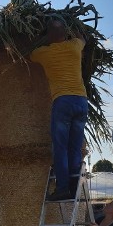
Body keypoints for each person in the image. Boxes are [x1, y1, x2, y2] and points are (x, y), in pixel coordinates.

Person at [30, 19, 88, 201]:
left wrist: (43, 38)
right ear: (65, 34)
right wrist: (74, 33)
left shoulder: (43, 53)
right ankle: (73, 185)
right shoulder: (75, 46)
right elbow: (82, 37)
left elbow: (29, 53)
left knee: (61, 147)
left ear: (49, 36)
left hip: (63, 101)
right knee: (75, 147)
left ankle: (62, 188)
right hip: (81, 101)